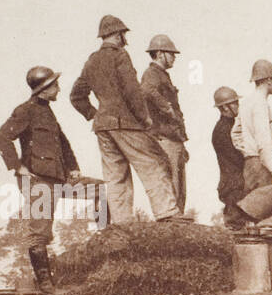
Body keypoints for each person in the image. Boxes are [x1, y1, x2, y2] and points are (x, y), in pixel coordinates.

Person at [69, 14, 178, 223]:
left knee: (115, 175)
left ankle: (121, 223)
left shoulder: (92, 60)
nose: (125, 39)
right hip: (126, 123)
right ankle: (167, 213)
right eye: (123, 34)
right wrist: (144, 118)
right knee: (154, 162)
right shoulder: (120, 55)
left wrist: (95, 114)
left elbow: (76, 95)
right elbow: (132, 91)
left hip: (102, 127)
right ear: (118, 35)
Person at [0, 65, 80, 295]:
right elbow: (1, 138)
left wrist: (74, 168)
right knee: (39, 232)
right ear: (44, 89)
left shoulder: (48, 111)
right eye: (55, 85)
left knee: (98, 191)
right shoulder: (25, 111)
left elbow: (62, 142)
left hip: (58, 178)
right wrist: (18, 167)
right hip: (39, 181)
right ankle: (47, 287)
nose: (59, 89)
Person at [140, 34, 190, 214]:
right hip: (165, 138)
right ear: (160, 53)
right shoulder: (152, 73)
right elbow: (146, 91)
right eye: (171, 54)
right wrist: (167, 108)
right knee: (171, 184)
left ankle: (177, 221)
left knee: (178, 185)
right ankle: (174, 221)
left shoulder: (160, 75)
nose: (174, 57)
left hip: (173, 138)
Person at [231, 59, 272, 195]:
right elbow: (264, 140)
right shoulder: (260, 104)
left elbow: (235, 133)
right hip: (264, 167)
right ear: (268, 80)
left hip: (251, 166)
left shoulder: (246, 102)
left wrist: (248, 151)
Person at [211, 86, 248, 230]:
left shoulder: (233, 125)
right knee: (235, 227)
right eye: (234, 103)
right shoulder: (222, 130)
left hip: (237, 183)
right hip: (233, 186)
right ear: (224, 107)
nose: (237, 105)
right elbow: (236, 157)